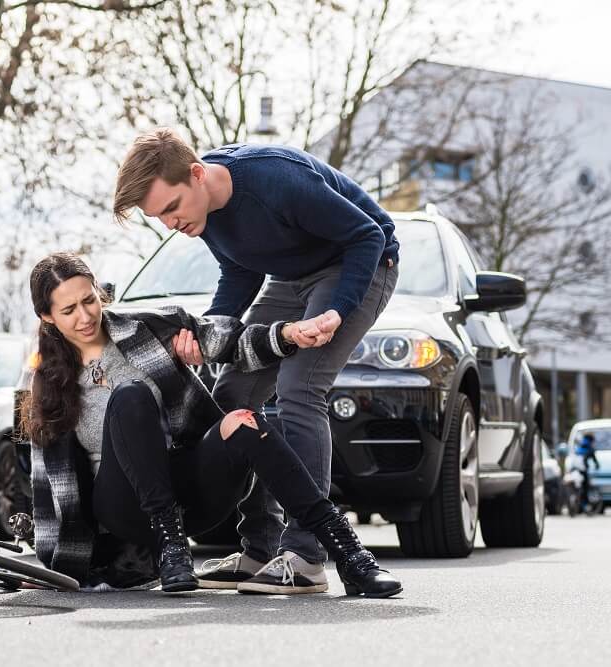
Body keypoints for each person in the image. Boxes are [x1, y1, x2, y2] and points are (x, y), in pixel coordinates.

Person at [112, 128, 400, 594]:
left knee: (300, 387)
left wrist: (337, 310)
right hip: (290, 280)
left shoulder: (275, 179)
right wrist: (209, 333)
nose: (170, 223)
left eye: (171, 208)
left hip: (358, 265)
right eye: (158, 217)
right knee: (231, 395)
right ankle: (261, 549)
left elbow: (366, 235)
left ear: (197, 174)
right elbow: (240, 269)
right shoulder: (203, 212)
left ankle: (307, 554)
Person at [24, 252, 401, 597]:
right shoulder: (42, 382)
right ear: (47, 317)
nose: (85, 316)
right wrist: (58, 566)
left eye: (89, 301)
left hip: (192, 490)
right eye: (69, 310)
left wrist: (286, 334)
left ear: (99, 293)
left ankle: (350, 554)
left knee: (243, 421)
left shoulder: (150, 328)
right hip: (125, 511)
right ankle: (171, 546)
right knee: (131, 395)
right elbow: (48, 484)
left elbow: (229, 342)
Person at [575, 433, 600, 510]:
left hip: (574, 468)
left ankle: (576, 501)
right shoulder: (589, 447)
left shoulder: (580, 444)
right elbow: (594, 459)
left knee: (578, 485)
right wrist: (597, 465)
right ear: (591, 440)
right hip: (582, 469)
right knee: (585, 486)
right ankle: (584, 503)